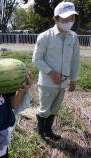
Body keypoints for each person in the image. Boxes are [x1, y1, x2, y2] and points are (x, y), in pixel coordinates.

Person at [32, 1, 80, 141]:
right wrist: (51, 73)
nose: (69, 21)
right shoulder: (45, 37)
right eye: (65, 19)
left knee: (54, 109)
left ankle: (48, 131)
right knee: (44, 109)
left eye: (72, 18)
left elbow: (75, 60)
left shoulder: (73, 36)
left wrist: (74, 79)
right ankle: (40, 134)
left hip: (63, 83)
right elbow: (37, 59)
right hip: (47, 82)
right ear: (56, 19)